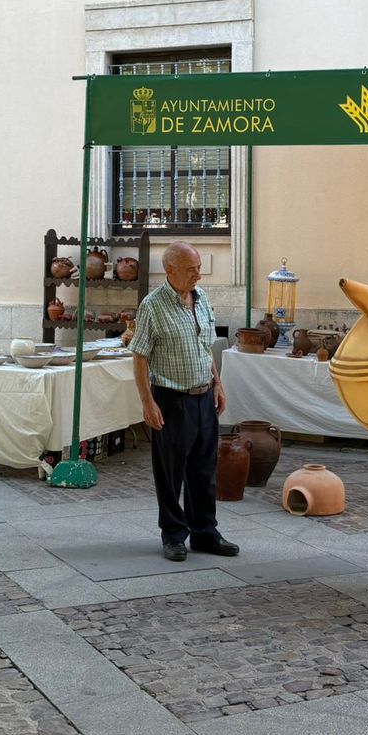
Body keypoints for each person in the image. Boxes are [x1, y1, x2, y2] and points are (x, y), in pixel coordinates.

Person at [130, 241, 239, 563]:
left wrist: (217, 385)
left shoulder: (202, 299)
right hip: (171, 399)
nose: (199, 276)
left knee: (204, 471)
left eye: (199, 268)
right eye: (191, 270)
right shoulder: (152, 306)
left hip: (204, 396)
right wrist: (148, 403)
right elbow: (139, 357)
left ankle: (205, 533)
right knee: (170, 472)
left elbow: (206, 349)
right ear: (170, 270)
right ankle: (174, 535)